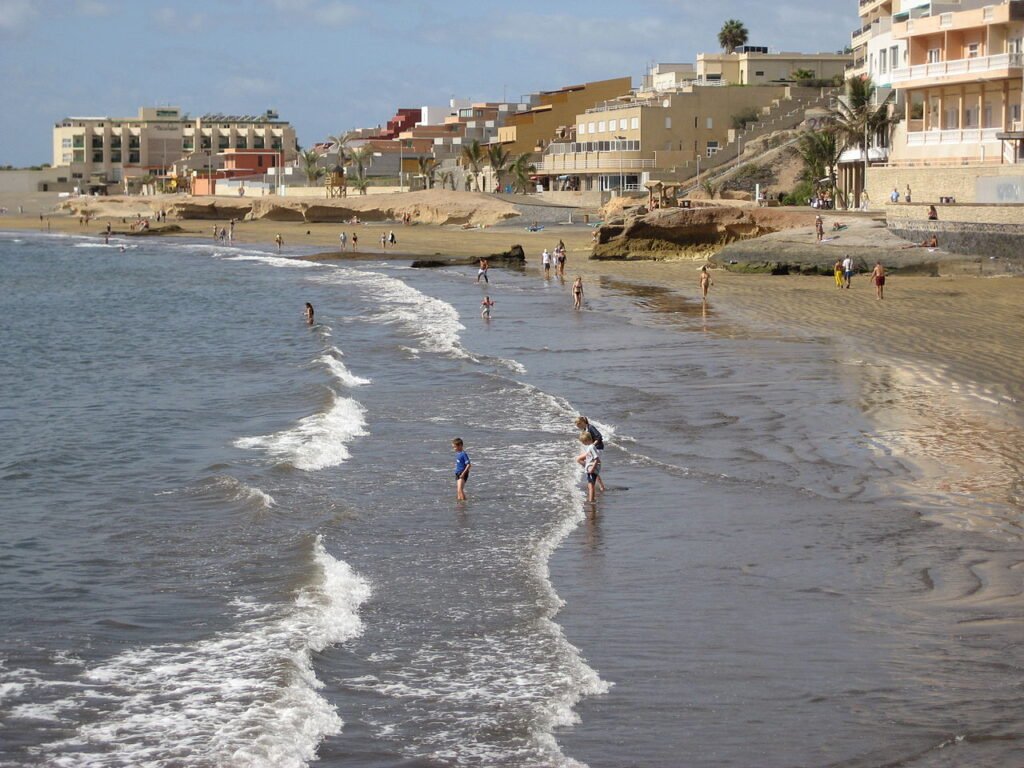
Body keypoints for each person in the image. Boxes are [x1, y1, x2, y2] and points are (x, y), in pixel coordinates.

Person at [575, 416, 607, 493]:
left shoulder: (591, 427)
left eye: (579, 425)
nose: (578, 427)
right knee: (588, 465)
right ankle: (601, 484)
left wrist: (592, 445)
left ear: (583, 422)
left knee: (579, 459)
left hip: (598, 448)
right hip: (593, 449)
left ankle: (600, 484)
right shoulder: (585, 429)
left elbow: (599, 437)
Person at [575, 431, 601, 504]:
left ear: (587, 440)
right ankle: (591, 499)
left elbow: (597, 459)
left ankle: (591, 500)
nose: (583, 443)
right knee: (590, 485)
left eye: (583, 442)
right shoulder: (591, 447)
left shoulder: (591, 447)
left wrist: (592, 468)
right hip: (591, 467)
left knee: (591, 485)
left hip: (592, 468)